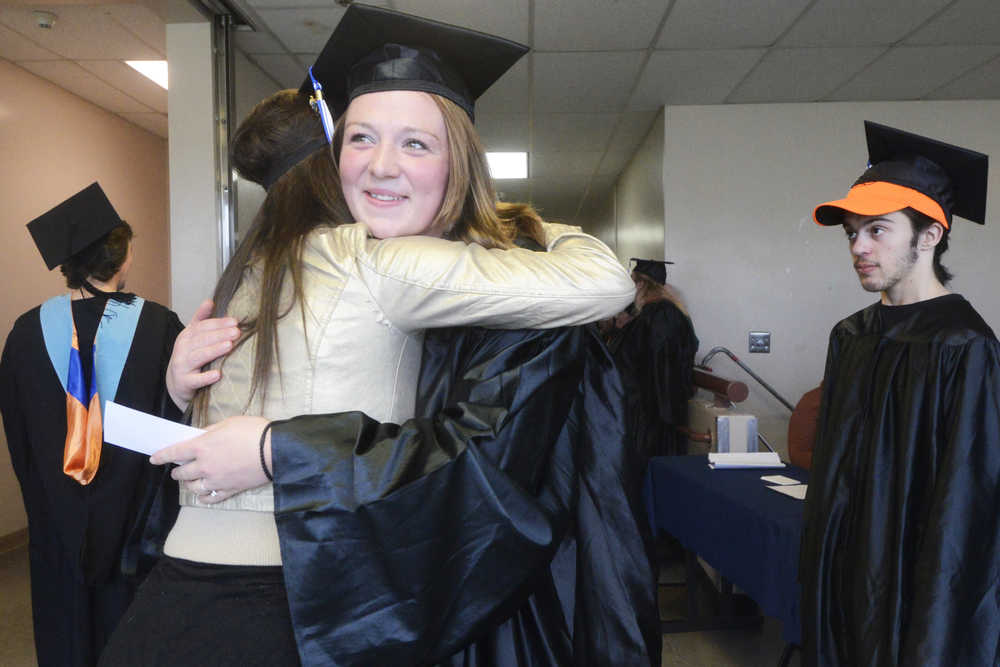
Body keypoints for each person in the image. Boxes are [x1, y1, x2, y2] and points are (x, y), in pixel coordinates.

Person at [101, 5, 657, 666]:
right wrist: (183, 386)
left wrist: (280, 448)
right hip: (273, 602)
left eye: (416, 143)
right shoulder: (331, 260)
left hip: (355, 605)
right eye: (361, 138)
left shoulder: (500, 299)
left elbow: (486, 476)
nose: (380, 165)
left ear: (460, 164)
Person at [801, 121, 1000, 666]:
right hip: (844, 573)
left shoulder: (964, 345)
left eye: (877, 230)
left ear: (930, 234)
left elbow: (965, 500)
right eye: (852, 233)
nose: (858, 247)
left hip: (915, 578)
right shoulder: (850, 335)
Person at [0, 183, 183, 667]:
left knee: (65, 633)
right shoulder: (161, 326)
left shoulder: (23, 333)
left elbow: (17, 433)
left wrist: (49, 505)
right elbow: (179, 419)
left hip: (56, 520)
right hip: (134, 529)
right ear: (120, 260)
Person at [612, 258, 699, 457]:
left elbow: (662, 369)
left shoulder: (661, 316)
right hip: (652, 412)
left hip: (653, 417)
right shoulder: (661, 313)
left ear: (641, 284)